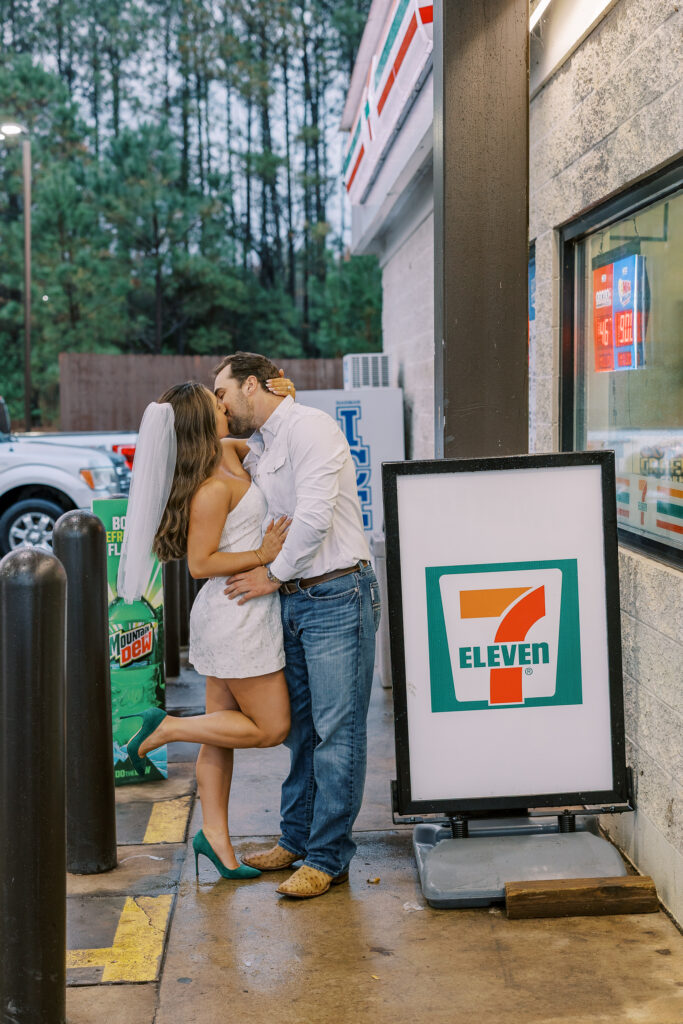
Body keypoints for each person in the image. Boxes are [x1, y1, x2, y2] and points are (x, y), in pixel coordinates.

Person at [213, 351, 381, 899]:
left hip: (337, 594)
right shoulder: (261, 446)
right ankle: (297, 838)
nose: (221, 403)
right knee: (304, 732)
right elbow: (218, 448)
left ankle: (328, 857)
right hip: (296, 601)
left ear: (254, 385)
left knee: (338, 732)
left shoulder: (313, 429)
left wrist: (269, 575)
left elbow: (311, 519)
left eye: (223, 393)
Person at [119, 377, 295, 882]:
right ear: (201, 421)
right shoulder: (212, 489)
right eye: (214, 402)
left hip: (237, 614)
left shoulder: (231, 453)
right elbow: (199, 563)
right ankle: (168, 728)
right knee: (270, 728)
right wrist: (263, 554)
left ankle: (215, 840)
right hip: (236, 616)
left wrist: (287, 399)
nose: (224, 405)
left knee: (219, 737)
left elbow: (271, 437)